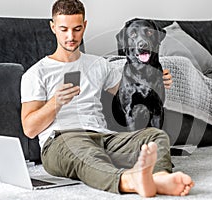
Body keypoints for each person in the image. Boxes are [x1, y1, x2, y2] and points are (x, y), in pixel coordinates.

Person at [21, 0, 194, 197]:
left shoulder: (99, 65)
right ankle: (130, 181)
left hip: (103, 137)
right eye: (64, 29)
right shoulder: (36, 73)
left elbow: (131, 92)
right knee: (84, 152)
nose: (71, 36)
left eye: (77, 29)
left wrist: (156, 80)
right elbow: (29, 128)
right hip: (62, 139)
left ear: (84, 26)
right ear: (53, 27)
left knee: (155, 136)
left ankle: (159, 178)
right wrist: (55, 103)